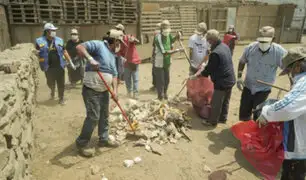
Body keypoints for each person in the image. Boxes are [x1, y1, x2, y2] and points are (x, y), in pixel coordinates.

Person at [257, 47, 306, 180]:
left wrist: (266, 112)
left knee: (294, 174)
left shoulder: (303, 83)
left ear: (296, 67)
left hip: (301, 144)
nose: (290, 75)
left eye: (289, 71)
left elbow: (288, 106)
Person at [75, 29, 123, 156]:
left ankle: (104, 139)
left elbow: (114, 75)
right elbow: (79, 47)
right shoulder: (98, 45)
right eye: (119, 42)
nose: (120, 46)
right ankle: (82, 143)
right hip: (91, 89)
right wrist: (90, 59)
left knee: (104, 116)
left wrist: (115, 92)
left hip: (104, 91)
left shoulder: (113, 56)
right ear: (114, 40)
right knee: (93, 117)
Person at [237, 26, 287, 121]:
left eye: (266, 41)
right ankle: (245, 127)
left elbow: (289, 67)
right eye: (261, 41)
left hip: (263, 89)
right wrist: (239, 77)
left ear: (273, 39)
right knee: (244, 109)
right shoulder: (250, 48)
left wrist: (292, 81)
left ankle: (256, 131)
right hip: (248, 85)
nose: (263, 44)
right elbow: (242, 61)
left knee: (258, 112)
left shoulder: (279, 52)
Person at [190, 29, 236, 126]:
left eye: (208, 40)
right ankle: (223, 118)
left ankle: (212, 121)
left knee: (216, 102)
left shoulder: (215, 53)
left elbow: (208, 71)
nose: (207, 42)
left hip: (221, 81)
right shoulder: (224, 46)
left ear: (211, 40)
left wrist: (196, 76)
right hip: (230, 78)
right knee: (225, 100)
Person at [35, 23, 73, 105]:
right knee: (50, 82)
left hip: (60, 65)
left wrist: (70, 61)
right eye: (52, 30)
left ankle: (61, 98)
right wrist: (36, 54)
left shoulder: (60, 40)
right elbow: (36, 52)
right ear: (47, 31)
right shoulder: (39, 41)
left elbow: (64, 51)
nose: (54, 32)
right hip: (48, 67)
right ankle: (52, 90)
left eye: (54, 30)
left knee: (61, 83)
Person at [153, 20, 182, 100]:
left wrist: (176, 37)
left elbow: (171, 40)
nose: (166, 32)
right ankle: (160, 96)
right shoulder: (157, 38)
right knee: (161, 81)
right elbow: (164, 52)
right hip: (159, 62)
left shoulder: (168, 34)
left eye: (167, 29)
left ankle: (165, 93)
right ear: (161, 29)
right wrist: (177, 50)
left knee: (167, 80)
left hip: (167, 62)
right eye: (164, 30)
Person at [115, 23, 141, 99]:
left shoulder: (129, 37)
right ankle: (129, 93)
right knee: (127, 79)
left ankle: (135, 94)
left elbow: (137, 41)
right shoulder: (118, 41)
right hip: (126, 63)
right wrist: (120, 57)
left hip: (134, 61)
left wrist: (133, 39)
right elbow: (118, 52)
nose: (118, 31)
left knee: (135, 79)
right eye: (117, 30)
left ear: (123, 31)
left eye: (119, 30)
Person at [149, 22, 162, 91]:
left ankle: (157, 86)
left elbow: (154, 47)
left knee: (156, 71)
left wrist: (152, 56)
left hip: (158, 56)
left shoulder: (157, 35)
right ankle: (156, 86)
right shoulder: (161, 35)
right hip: (160, 56)